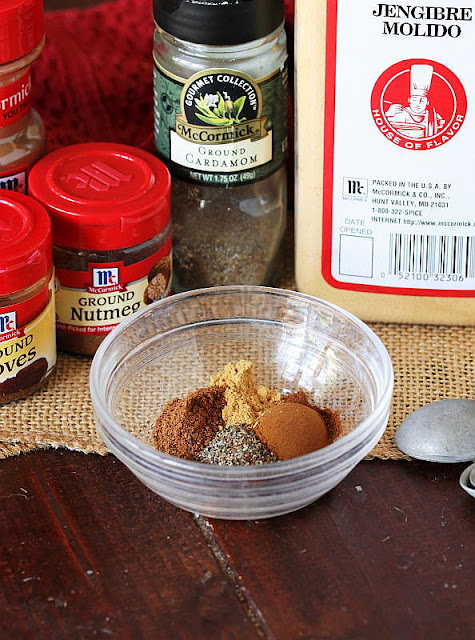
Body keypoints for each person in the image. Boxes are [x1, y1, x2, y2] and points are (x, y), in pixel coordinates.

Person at [385, 64, 444, 138]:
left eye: (422, 100)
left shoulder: (433, 116)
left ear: (427, 102)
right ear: (409, 100)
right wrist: (388, 114)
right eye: (414, 99)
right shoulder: (400, 113)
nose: (418, 104)